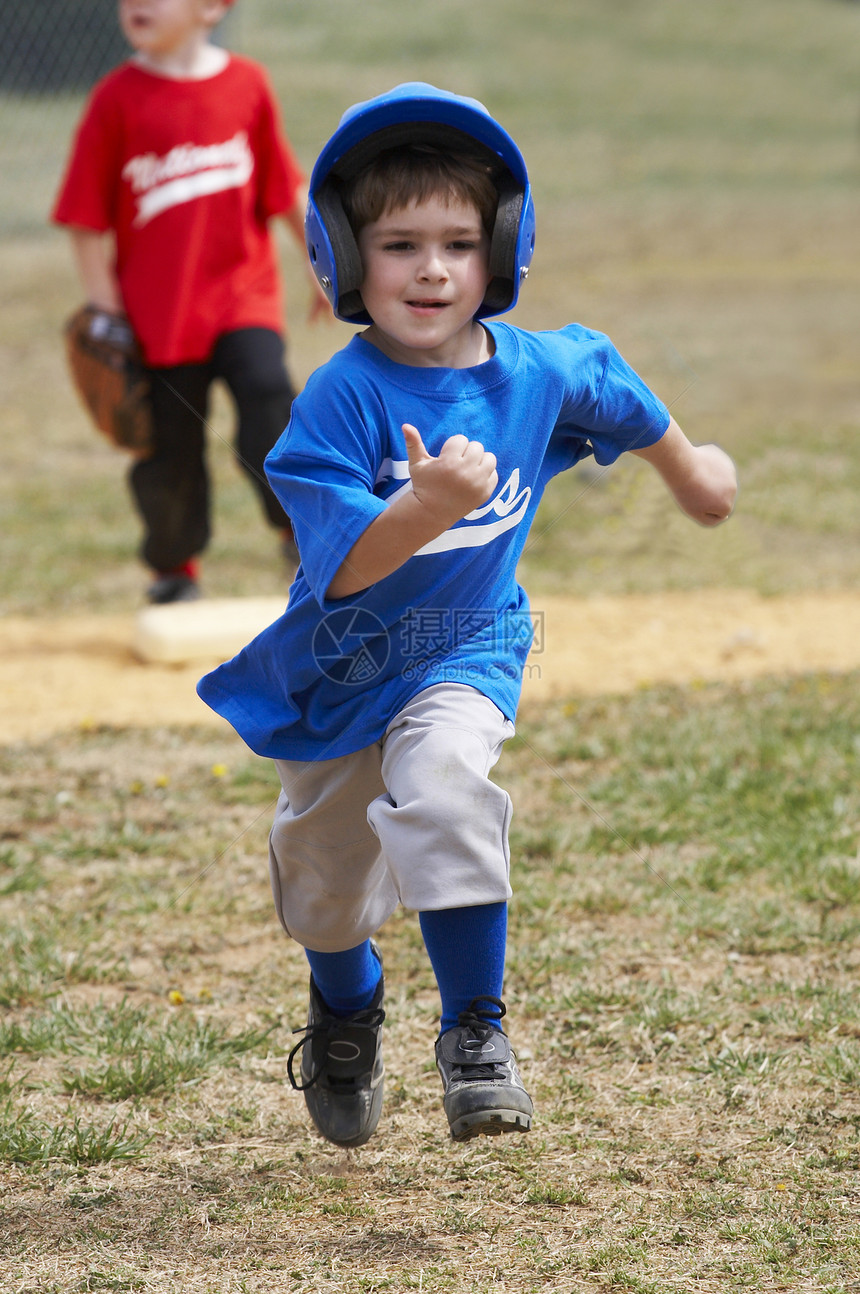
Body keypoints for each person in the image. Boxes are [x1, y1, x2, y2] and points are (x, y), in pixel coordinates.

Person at [197, 83, 738, 1147]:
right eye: (398, 244)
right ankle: (346, 1008)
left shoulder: (535, 368)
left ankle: (473, 1033)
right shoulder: (340, 401)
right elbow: (345, 568)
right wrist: (423, 504)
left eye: (457, 240)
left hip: (468, 644)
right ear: (344, 259)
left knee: (444, 785)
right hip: (346, 665)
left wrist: (690, 471)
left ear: (502, 249)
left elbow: (617, 391)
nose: (432, 268)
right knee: (321, 895)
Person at [52, 0, 330, 604]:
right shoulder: (116, 98)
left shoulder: (246, 84)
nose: (136, 5)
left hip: (241, 298)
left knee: (268, 400)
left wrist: (319, 265)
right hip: (158, 320)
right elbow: (84, 219)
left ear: (212, 8)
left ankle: (300, 533)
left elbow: (283, 189)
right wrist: (107, 315)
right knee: (171, 450)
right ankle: (174, 568)